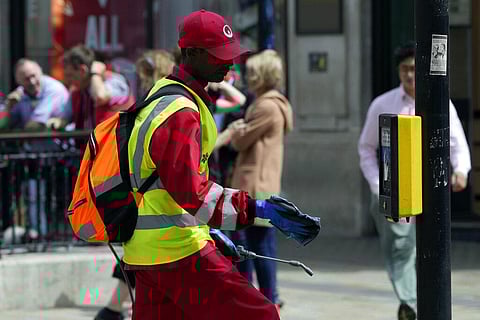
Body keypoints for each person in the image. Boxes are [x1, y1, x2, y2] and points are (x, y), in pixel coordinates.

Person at [121, 9, 319, 320]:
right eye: (219, 55)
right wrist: (256, 209)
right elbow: (192, 192)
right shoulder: (181, 110)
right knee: (262, 315)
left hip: (147, 252)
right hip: (179, 251)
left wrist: (212, 229)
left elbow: (169, 188)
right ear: (192, 53)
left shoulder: (162, 95)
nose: (230, 63)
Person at [358, 42, 471, 320]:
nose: (410, 75)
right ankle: (411, 305)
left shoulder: (439, 102)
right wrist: (378, 186)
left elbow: (456, 141)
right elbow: (366, 148)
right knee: (400, 248)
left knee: (428, 249)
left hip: (429, 191)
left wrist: (461, 170)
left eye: (414, 69)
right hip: (394, 192)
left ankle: (417, 302)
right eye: (404, 69)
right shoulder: (382, 104)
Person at [94, 49, 176, 320]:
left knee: (140, 258)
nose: (139, 80)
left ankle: (114, 310)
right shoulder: (149, 102)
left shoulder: (162, 103)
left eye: (144, 74)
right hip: (145, 195)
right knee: (138, 257)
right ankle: (115, 310)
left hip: (155, 196)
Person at [230, 49, 293, 309]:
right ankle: (265, 299)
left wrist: (235, 133)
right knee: (256, 244)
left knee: (253, 246)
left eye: (253, 71)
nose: (248, 76)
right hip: (259, 185)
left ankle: (266, 299)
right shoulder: (271, 103)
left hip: (254, 185)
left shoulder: (266, 106)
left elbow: (240, 140)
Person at [0, 58, 70, 238]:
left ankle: (64, 237)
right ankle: (39, 236)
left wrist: (19, 131)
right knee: (33, 199)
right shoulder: (20, 94)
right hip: (34, 159)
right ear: (19, 81)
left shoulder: (53, 89)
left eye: (33, 76)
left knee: (58, 202)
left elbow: (35, 126)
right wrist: (8, 107)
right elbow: (2, 125)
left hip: (61, 158)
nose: (31, 81)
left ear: (41, 72)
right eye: (25, 79)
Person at [63, 45, 133, 130]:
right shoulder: (77, 91)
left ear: (82, 70)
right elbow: (66, 117)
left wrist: (95, 74)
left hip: (115, 141)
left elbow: (101, 97)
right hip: (89, 142)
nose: (67, 81)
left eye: (70, 75)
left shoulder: (114, 80)